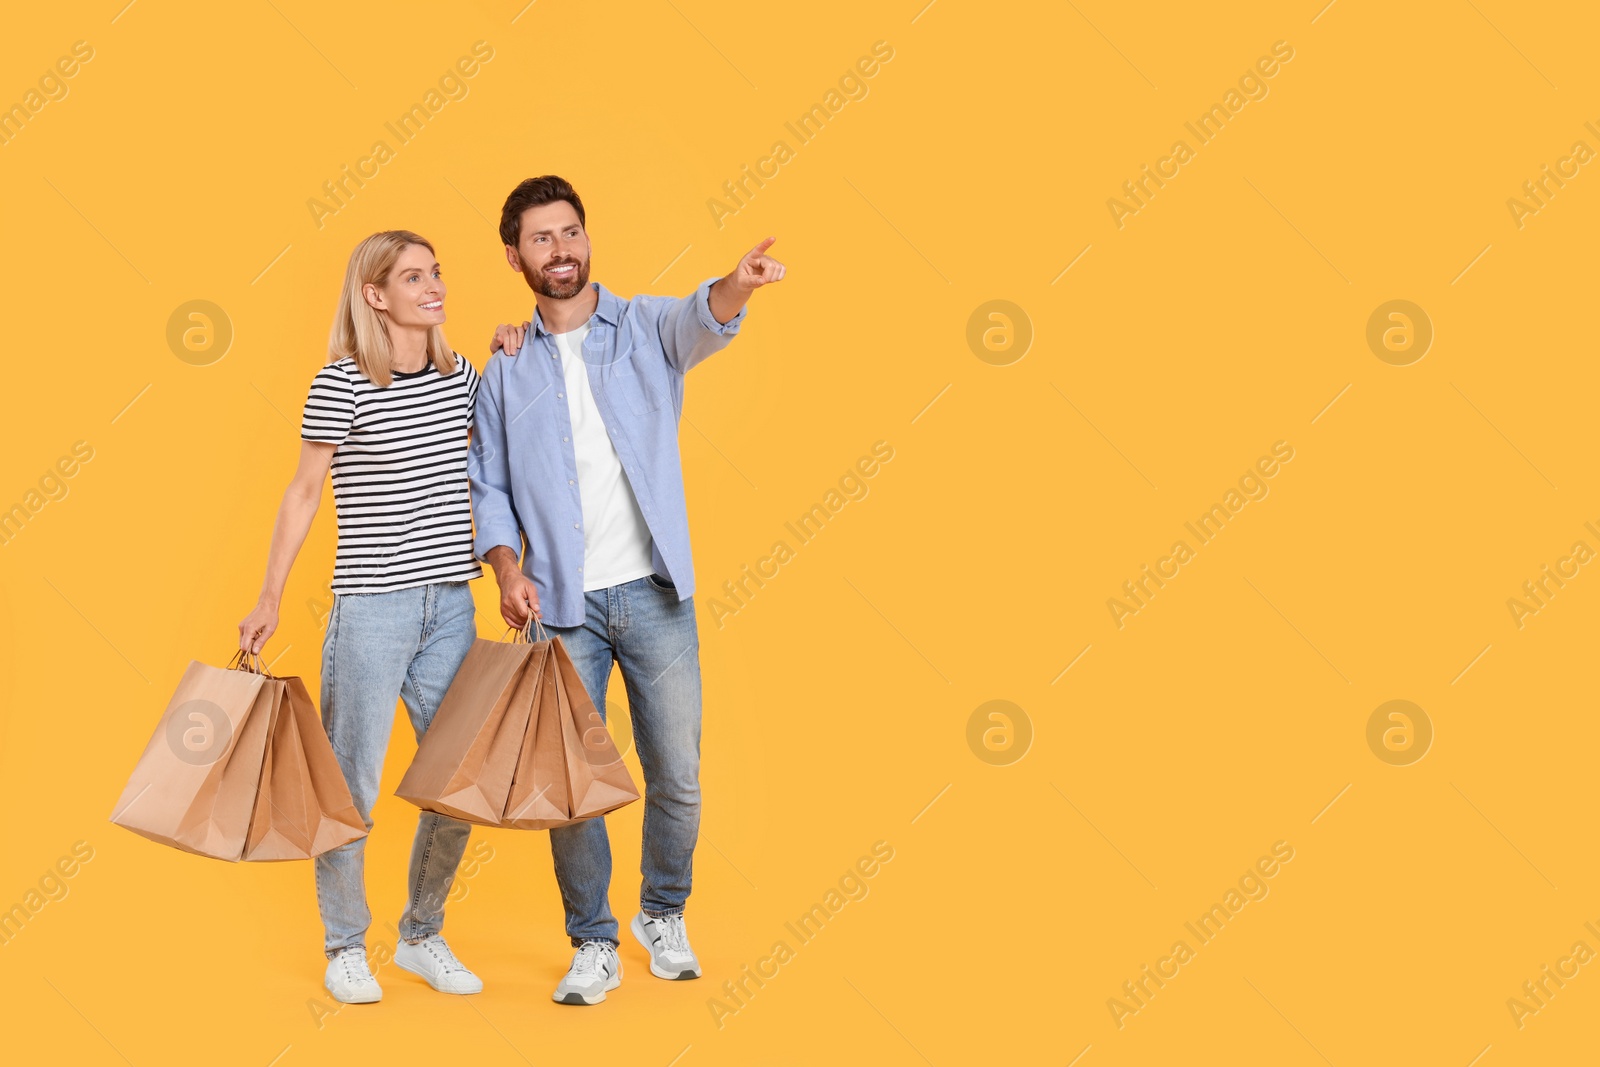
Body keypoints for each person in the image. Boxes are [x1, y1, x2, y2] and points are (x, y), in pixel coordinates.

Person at [469, 175, 785, 1005]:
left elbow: (701, 315)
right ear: (515, 256)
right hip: (562, 608)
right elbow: (488, 487)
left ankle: (662, 912)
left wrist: (736, 285)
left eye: (570, 232)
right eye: (542, 238)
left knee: (676, 772)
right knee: (573, 790)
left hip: (654, 594)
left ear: (586, 237)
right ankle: (593, 942)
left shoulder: (643, 326)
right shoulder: (502, 369)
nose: (561, 249)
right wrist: (506, 568)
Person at [238, 230, 487, 1005]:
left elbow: (500, 461)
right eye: (414, 276)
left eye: (436, 272)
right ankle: (345, 944)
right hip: (372, 608)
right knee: (352, 790)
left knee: (459, 781)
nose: (434, 285)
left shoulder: (462, 375)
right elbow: (304, 492)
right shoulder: (341, 383)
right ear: (376, 295)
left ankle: (420, 933)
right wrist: (270, 593)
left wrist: (517, 346)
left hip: (451, 603)